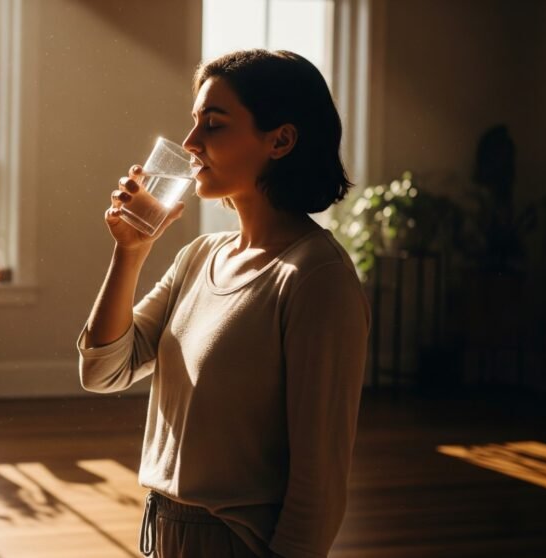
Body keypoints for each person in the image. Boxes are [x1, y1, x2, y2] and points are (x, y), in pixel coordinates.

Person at [76, 49, 372, 558]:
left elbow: (319, 484)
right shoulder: (200, 256)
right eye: (194, 124)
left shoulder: (317, 280)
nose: (190, 145)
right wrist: (130, 251)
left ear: (280, 140)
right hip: (163, 531)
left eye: (212, 125)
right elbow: (103, 371)